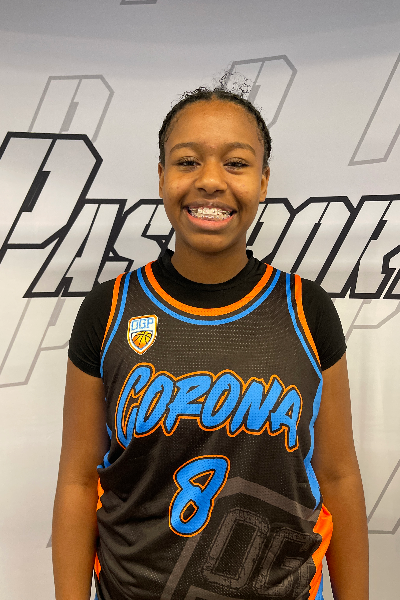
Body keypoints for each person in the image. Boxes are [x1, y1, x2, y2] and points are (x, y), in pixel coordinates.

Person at [52, 85, 369, 600]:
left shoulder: (305, 309)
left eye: (236, 163)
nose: (211, 181)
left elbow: (337, 476)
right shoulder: (109, 310)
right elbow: (78, 481)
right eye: (188, 161)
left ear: (263, 181)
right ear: (162, 176)